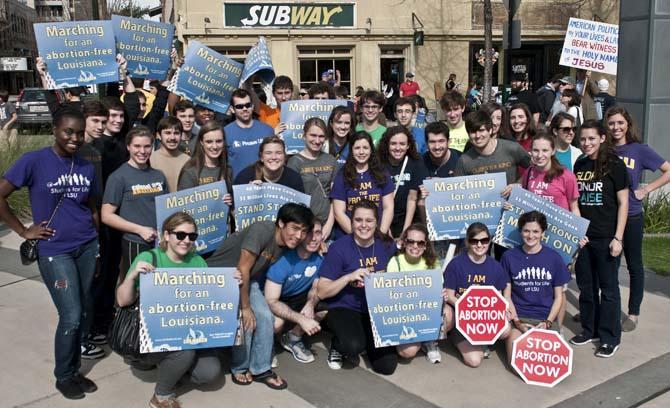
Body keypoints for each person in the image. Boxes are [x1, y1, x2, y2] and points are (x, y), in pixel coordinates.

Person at [0, 109, 99, 399]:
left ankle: (75, 369)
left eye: (80, 133)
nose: (75, 138)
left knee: (83, 310)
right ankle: (64, 375)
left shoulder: (85, 165)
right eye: (68, 131)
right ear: (55, 129)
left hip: (86, 245)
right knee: (70, 314)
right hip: (55, 250)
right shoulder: (34, 161)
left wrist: (98, 244)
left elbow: (90, 206)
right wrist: (23, 230)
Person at [116, 212, 221, 408]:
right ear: (166, 235)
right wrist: (131, 278)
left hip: (186, 327)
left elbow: (209, 300)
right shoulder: (150, 258)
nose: (186, 240)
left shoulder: (198, 262)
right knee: (185, 349)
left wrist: (231, 284)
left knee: (210, 374)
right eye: (180, 235)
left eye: (192, 236)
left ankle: (173, 368)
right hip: (149, 336)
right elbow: (122, 301)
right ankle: (161, 395)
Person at [207, 203, 315, 389]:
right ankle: (240, 367)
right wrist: (246, 307)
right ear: (281, 223)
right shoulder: (262, 230)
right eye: (295, 228)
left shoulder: (289, 245)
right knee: (246, 319)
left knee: (265, 317)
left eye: (303, 231)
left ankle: (261, 368)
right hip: (219, 278)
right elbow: (242, 269)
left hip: (248, 280)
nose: (299, 236)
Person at [606, 107, 670, 331]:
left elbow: (668, 170)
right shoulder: (605, 150)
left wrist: (647, 189)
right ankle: (606, 309)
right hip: (609, 216)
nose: (616, 127)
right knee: (608, 265)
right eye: (612, 123)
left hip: (632, 215)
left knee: (634, 265)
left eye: (620, 123)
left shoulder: (640, 150)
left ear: (627, 124)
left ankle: (633, 314)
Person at [317, 199, 398, 374]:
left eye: (369, 220)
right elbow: (322, 291)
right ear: (351, 221)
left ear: (377, 222)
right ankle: (338, 343)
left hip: (376, 309)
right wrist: (348, 277)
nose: (363, 225)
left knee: (386, 366)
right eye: (358, 220)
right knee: (352, 346)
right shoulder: (339, 248)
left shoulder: (387, 245)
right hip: (344, 306)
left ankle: (367, 340)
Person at [571, 120, 629, 358]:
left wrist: (618, 238)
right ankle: (589, 329)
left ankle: (609, 337)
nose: (586, 143)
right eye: (583, 139)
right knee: (586, 287)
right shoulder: (580, 163)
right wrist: (577, 231)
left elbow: (624, 203)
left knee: (608, 289)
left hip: (607, 236)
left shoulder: (614, 164)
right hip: (585, 237)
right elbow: (575, 201)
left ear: (602, 138)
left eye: (591, 138)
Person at [101, 126, 168, 283]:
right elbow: (106, 215)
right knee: (136, 286)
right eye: (137, 146)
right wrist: (139, 230)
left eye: (147, 146)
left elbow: (166, 208)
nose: (142, 151)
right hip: (136, 242)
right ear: (128, 147)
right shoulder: (118, 177)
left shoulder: (158, 175)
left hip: (160, 243)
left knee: (158, 286)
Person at [502, 211, 571, 364]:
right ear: (520, 232)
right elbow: (506, 296)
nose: (530, 235)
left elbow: (559, 297)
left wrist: (547, 323)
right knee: (517, 363)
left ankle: (557, 332)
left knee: (546, 365)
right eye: (526, 230)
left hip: (545, 318)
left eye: (535, 231)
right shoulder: (509, 257)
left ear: (543, 233)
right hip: (519, 318)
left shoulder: (554, 258)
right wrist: (517, 322)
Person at [443, 222, 510, 368]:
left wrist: (502, 312)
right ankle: (455, 337)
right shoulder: (456, 264)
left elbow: (497, 297)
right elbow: (449, 294)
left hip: (483, 318)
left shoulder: (496, 267)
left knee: (505, 330)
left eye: (484, 240)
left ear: (489, 241)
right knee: (474, 361)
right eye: (474, 241)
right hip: (461, 317)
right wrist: (468, 306)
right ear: (467, 242)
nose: (480, 245)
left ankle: (483, 340)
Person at [265, 219, 327, 364]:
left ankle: (293, 337)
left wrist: (311, 304)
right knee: (276, 324)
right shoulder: (284, 259)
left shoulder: (321, 257)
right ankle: (268, 343)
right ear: (301, 235)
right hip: (278, 298)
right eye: (309, 233)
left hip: (299, 296)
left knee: (326, 306)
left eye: (317, 233)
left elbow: (316, 287)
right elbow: (271, 301)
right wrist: (302, 319)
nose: (313, 238)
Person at [387, 224, 441, 363]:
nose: (415, 246)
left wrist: (442, 294)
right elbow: (389, 295)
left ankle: (429, 340)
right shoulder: (395, 262)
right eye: (411, 241)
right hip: (403, 313)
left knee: (448, 312)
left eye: (420, 242)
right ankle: (417, 339)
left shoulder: (433, 263)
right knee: (408, 352)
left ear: (425, 245)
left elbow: (437, 290)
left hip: (426, 312)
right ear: (404, 243)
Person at [330, 132, 394, 236]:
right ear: (351, 150)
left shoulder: (382, 173)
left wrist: (381, 233)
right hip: (350, 235)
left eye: (365, 148)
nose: (361, 152)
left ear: (371, 150)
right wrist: (359, 236)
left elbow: (388, 207)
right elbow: (338, 212)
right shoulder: (342, 175)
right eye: (357, 148)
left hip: (378, 234)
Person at [287, 118, 337, 237]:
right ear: (304, 136)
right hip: (304, 225)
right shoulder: (294, 162)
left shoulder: (331, 160)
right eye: (313, 135)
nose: (317, 140)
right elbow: (292, 199)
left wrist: (329, 225)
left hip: (328, 224)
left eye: (321, 136)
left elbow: (336, 197)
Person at [377, 126, 427, 238]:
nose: (398, 148)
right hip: (382, 217)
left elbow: (412, 198)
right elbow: (377, 198)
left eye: (402, 144)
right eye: (393, 143)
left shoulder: (416, 161)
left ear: (408, 145)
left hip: (407, 217)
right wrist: (385, 227)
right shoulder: (378, 163)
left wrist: (405, 231)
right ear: (387, 144)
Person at [455, 110, 530, 184]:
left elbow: (535, 169)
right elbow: (459, 190)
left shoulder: (512, 148)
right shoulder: (464, 161)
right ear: (468, 134)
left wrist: (519, 184)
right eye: (473, 132)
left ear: (490, 130)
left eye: (481, 130)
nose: (477, 136)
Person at [224, 89, 275, 178]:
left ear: (252, 106)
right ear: (232, 109)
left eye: (248, 105)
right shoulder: (225, 133)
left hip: (265, 185)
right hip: (239, 187)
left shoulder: (267, 130)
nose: (245, 109)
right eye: (239, 106)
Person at [234, 136, 304, 193]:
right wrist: (247, 193)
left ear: (284, 156)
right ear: (261, 157)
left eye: (278, 153)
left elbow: (301, 209)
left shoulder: (294, 178)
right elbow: (234, 210)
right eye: (268, 153)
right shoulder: (245, 177)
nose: (273, 157)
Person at [150, 117, 190, 193]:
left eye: (176, 133)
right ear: (158, 135)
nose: (172, 137)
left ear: (181, 135)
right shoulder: (150, 161)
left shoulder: (188, 161)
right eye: (168, 133)